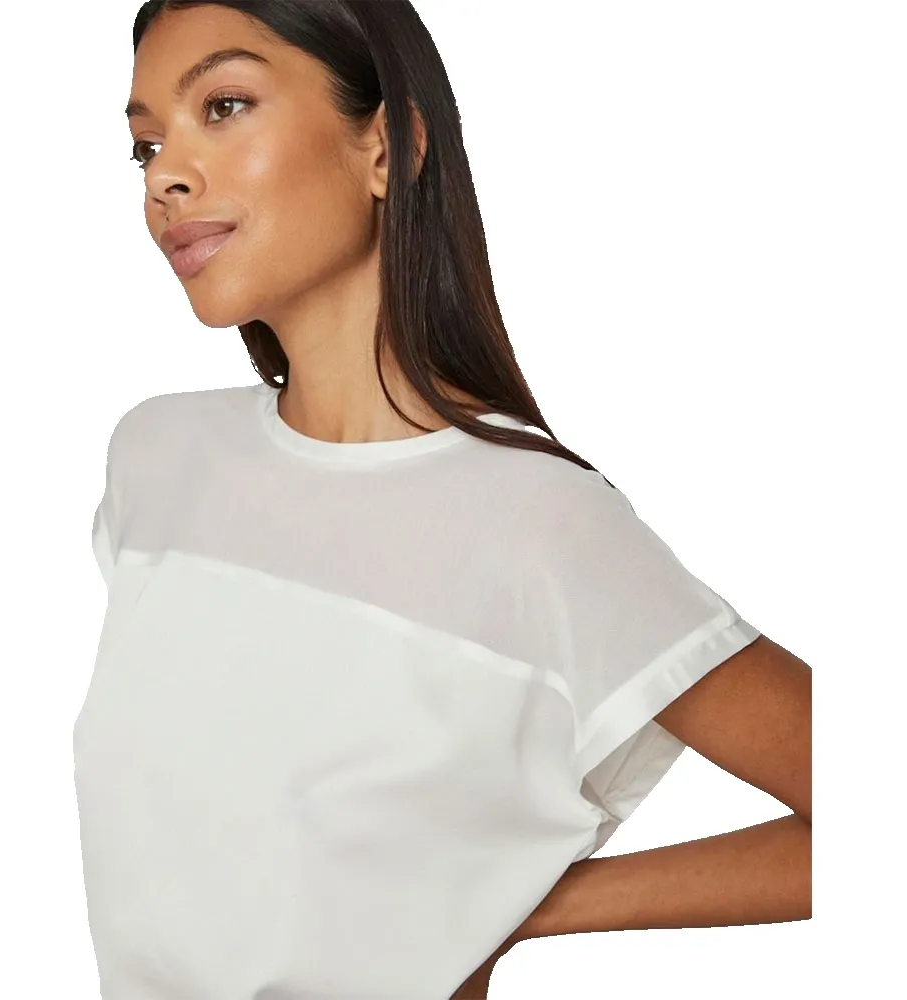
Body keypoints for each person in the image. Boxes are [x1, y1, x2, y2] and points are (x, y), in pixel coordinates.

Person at [74, 3, 810, 999]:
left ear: (389, 146)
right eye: (146, 144)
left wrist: (516, 908)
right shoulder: (159, 460)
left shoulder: (538, 528)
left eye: (226, 105)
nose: (164, 175)